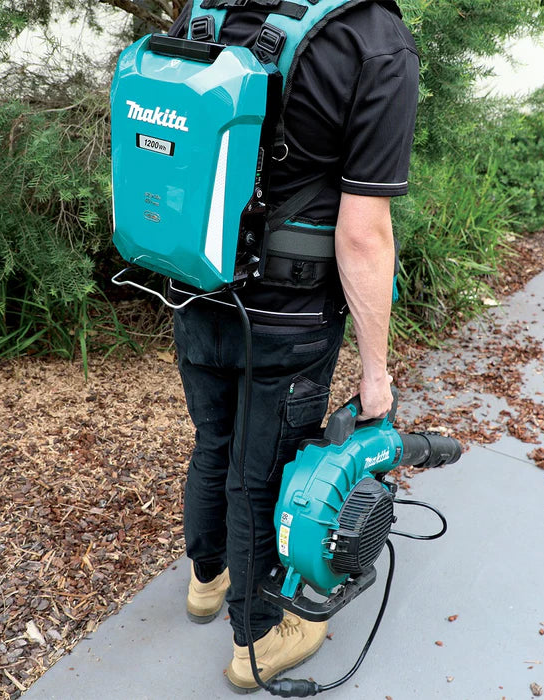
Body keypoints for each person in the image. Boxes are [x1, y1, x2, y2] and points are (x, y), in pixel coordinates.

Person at [167, 0, 419, 691]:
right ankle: (256, 639)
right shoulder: (374, 40)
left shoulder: (208, 7)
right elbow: (362, 232)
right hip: (289, 317)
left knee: (213, 441)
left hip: (194, 287)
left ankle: (207, 580)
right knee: (260, 474)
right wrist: (376, 375)